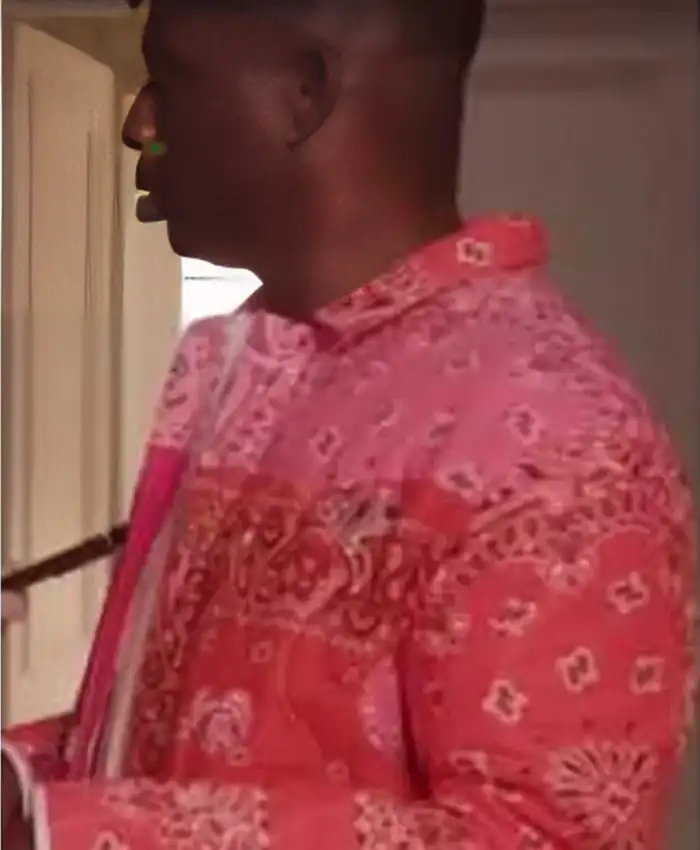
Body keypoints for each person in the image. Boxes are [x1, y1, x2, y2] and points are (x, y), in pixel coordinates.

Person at [2, 0, 696, 847]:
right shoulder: (251, 372)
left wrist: (62, 829)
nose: (139, 123)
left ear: (306, 91)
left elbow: (543, 836)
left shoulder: (557, 441)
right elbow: (165, 744)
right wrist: (21, 792)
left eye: (171, 78)